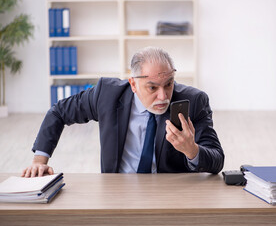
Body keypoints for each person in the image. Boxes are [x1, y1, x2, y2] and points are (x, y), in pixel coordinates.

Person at [22, 47, 224, 177]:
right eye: (152, 88)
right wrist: (39, 162)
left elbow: (217, 160)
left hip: (170, 197)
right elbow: (59, 112)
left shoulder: (195, 101)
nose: (163, 96)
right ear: (133, 84)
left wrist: (192, 150)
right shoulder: (107, 95)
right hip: (117, 192)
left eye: (169, 84)